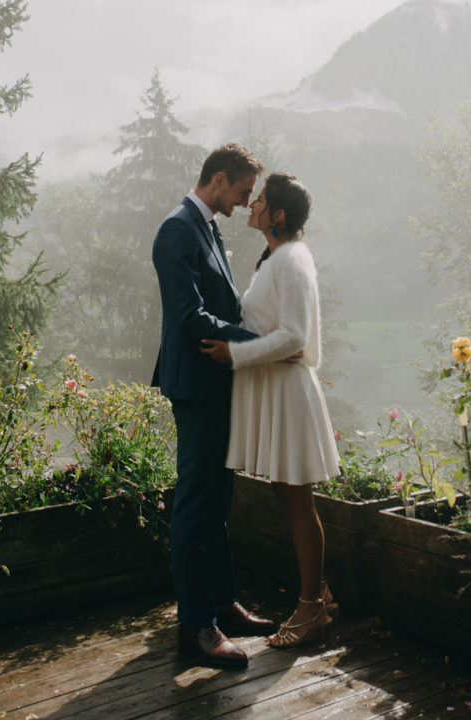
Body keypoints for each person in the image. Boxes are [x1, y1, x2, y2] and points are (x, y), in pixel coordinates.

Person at [201, 172, 340, 649]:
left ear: (277, 214)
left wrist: (233, 353)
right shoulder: (276, 258)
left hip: (289, 395)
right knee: (290, 498)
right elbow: (276, 330)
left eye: (259, 200)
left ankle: (310, 610)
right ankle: (318, 595)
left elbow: (296, 336)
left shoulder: (293, 259)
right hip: (276, 391)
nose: (251, 205)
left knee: (297, 502)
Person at [151, 143, 276, 669]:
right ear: (219, 180)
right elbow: (189, 315)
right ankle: (195, 627)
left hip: (217, 385)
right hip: (197, 387)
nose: (246, 202)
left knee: (217, 501)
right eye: (244, 192)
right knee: (194, 505)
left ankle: (223, 605)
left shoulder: (208, 227)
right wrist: (253, 339)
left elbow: (220, 300)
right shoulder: (177, 229)